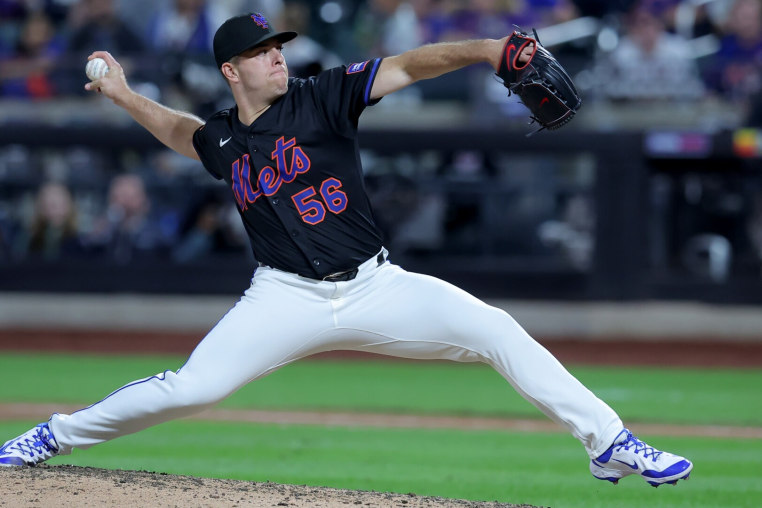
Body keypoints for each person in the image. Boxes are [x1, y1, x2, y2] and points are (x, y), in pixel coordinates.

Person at [0, 11, 693, 488]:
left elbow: (410, 64)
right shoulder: (224, 138)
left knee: (495, 328)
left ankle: (607, 443)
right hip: (283, 296)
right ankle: (53, 435)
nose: (278, 55)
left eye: (278, 47)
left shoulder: (324, 95)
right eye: (261, 51)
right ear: (230, 71)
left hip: (375, 286)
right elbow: (182, 132)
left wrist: (486, 50)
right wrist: (123, 94)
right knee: (192, 388)